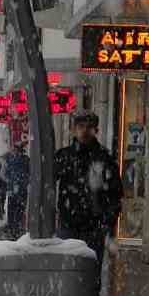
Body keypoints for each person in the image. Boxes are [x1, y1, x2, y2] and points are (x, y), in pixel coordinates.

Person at [54, 111, 123, 262]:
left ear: (95, 130)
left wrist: (107, 223)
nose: (84, 131)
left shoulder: (104, 158)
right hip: (68, 226)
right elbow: (48, 185)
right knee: (67, 272)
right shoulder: (64, 156)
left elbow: (115, 193)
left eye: (89, 127)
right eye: (80, 126)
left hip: (93, 228)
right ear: (74, 129)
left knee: (90, 274)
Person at [2, 142, 31, 238]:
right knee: (14, 211)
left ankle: (15, 230)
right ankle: (14, 230)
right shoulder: (10, 159)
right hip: (14, 189)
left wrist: (20, 181)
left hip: (20, 189)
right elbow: (3, 174)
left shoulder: (25, 160)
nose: (14, 151)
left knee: (17, 211)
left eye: (15, 150)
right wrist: (10, 181)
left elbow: (30, 174)